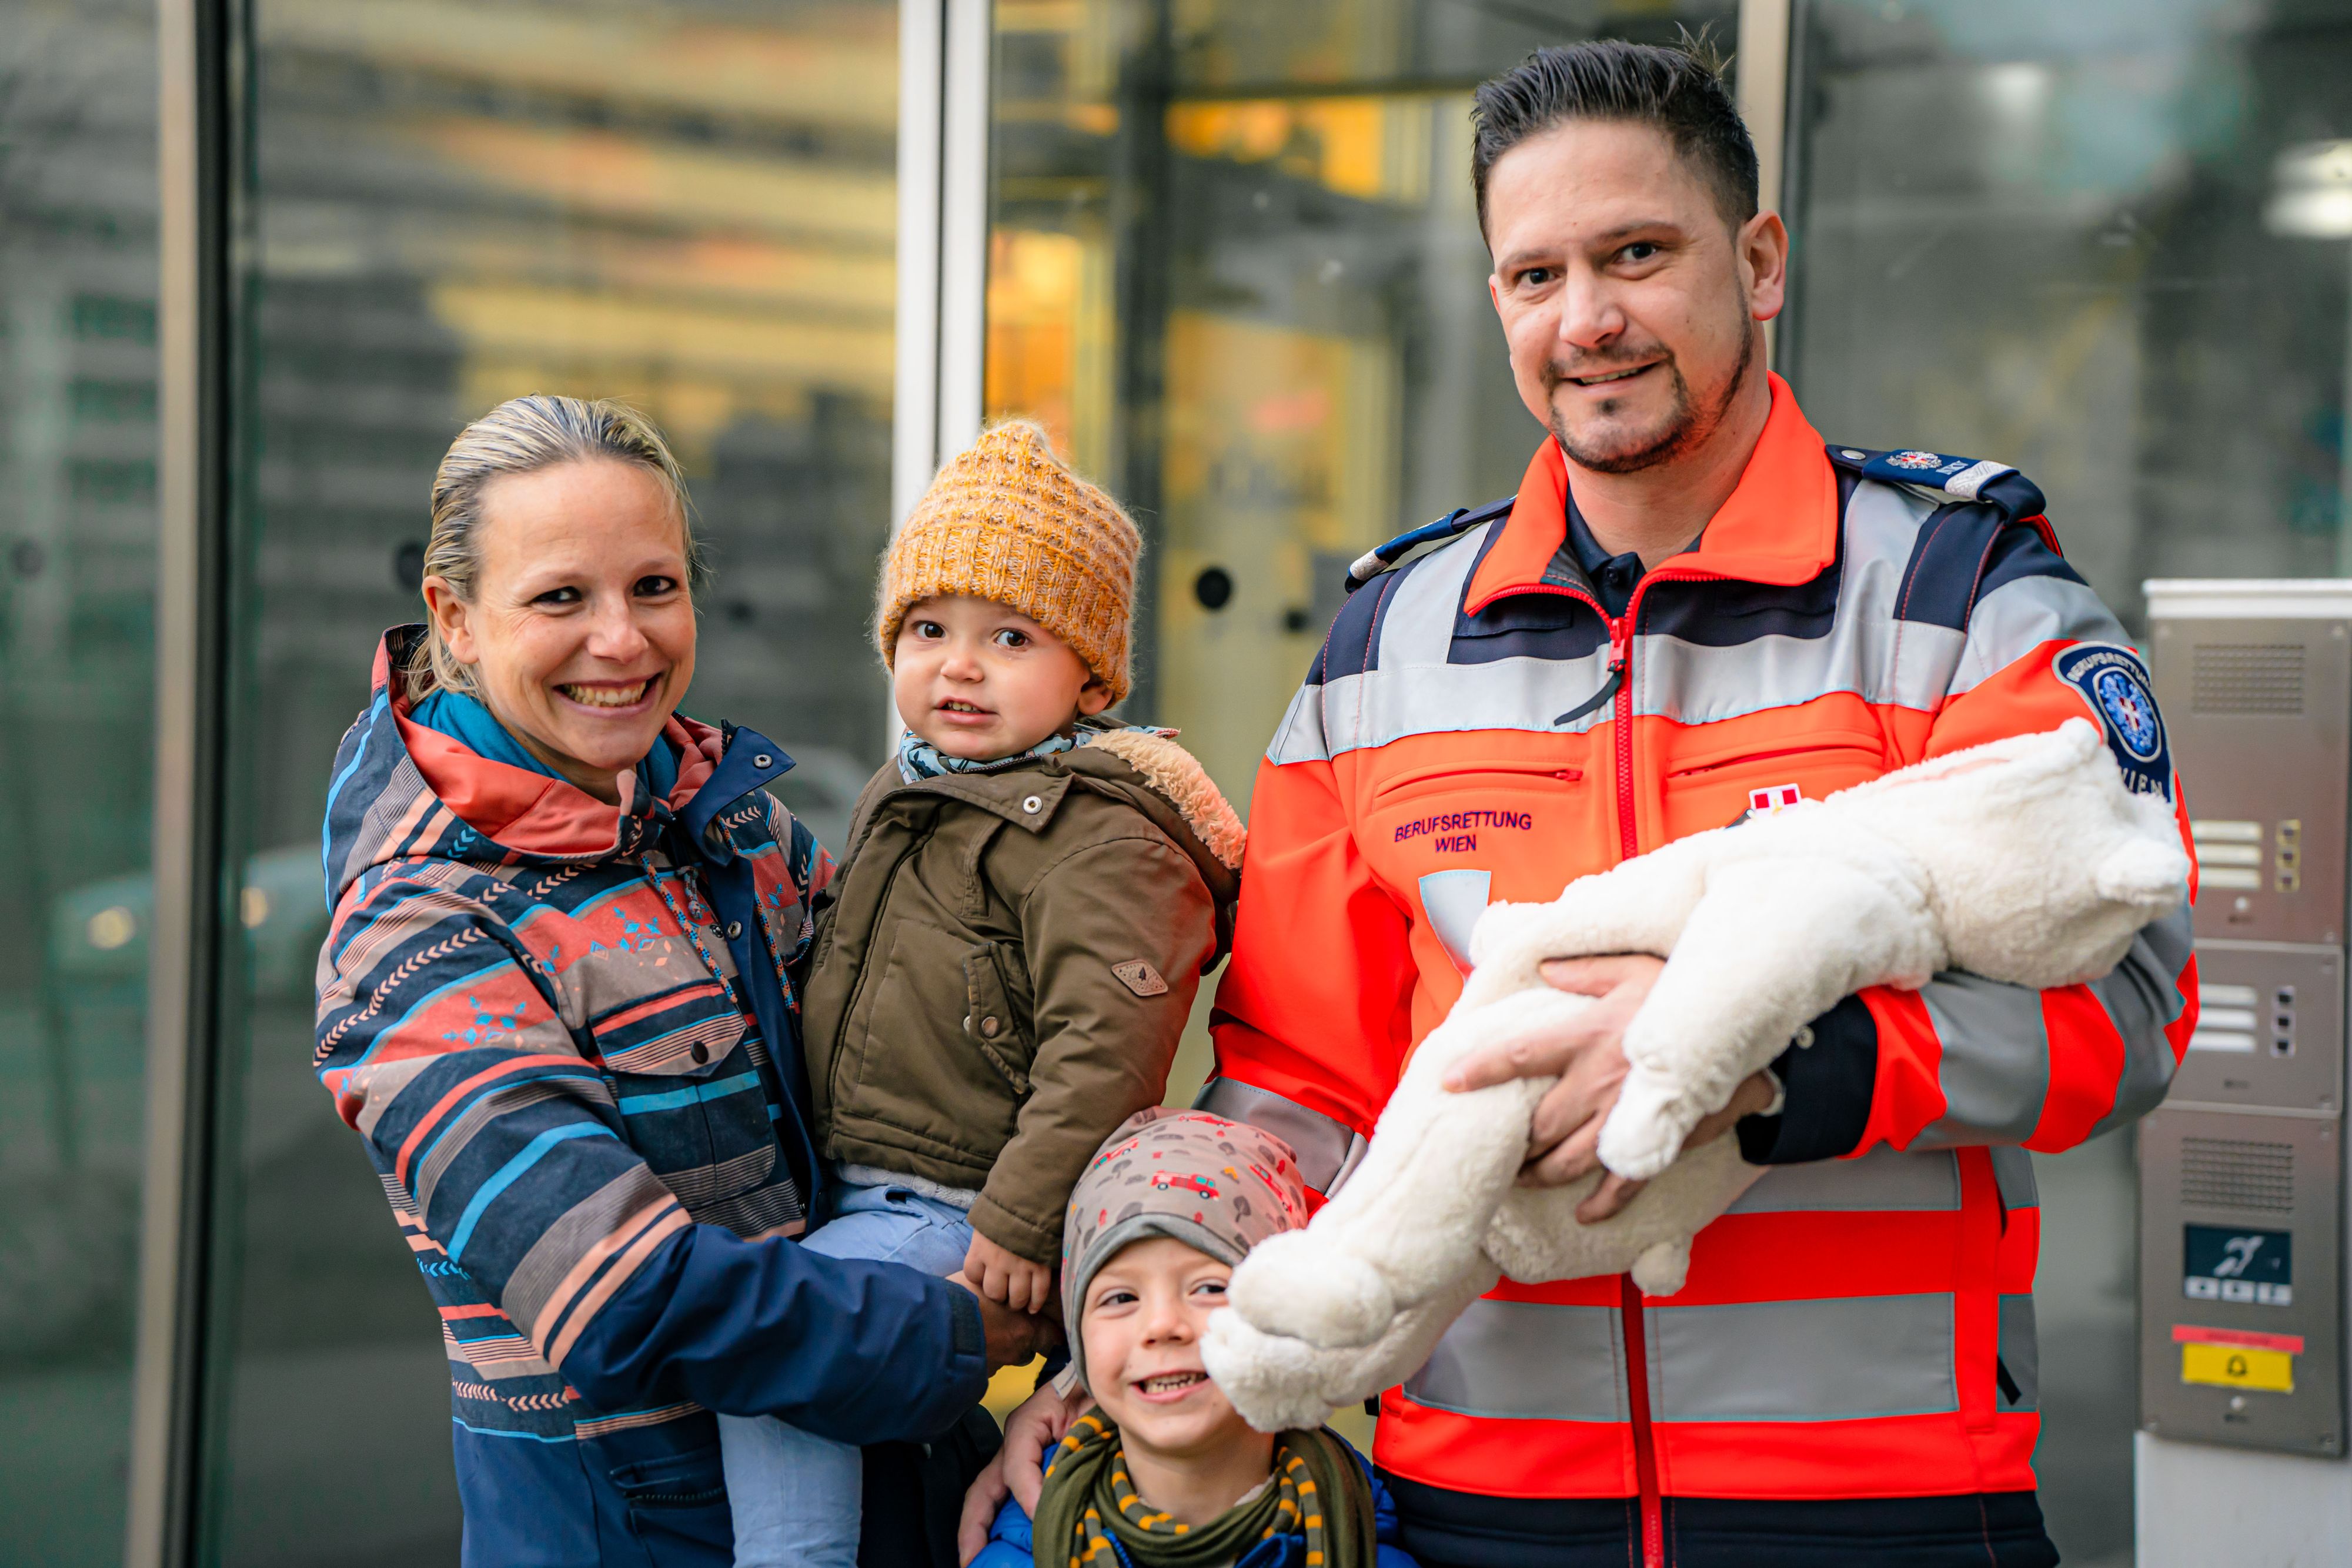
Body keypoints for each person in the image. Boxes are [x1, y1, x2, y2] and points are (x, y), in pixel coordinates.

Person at [972, 39, 2197, 1568]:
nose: (1588, 317)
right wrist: (1135, 1352)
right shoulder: (1388, 643)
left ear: (1757, 262)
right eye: (1535, 274)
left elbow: (2135, 1002)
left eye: (1636, 254)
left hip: (1882, 1497)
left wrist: (1758, 1064)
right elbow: (1296, 1084)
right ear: (1496, 302)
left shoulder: (1958, 589)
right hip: (1478, 1505)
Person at [315, 394, 1053, 1568]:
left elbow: (949, 1083)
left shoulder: (735, 825)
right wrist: (963, 1329)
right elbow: (622, 1292)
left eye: (653, 587)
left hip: (912, 1500)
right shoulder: (416, 927)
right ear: (454, 615)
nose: (622, 639)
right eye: (561, 596)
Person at [721, 421, 1244, 1567]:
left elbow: (1102, 1048)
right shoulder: (903, 792)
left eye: (1008, 635)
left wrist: (1015, 1217)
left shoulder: (1098, 833)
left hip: (966, 1207)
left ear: (1088, 673)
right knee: (829, 1377)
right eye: (927, 628)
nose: (957, 663)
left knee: (780, 1346)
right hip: (863, 1189)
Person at [970, 1109, 1416, 1568]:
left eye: (1209, 1288)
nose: (1163, 1324)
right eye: (1121, 1296)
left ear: (1286, 1318)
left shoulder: (1368, 1547)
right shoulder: (1021, 1553)